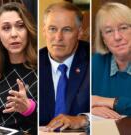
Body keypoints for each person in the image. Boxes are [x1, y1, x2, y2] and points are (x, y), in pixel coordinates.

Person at [39, 2, 90, 132]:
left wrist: (84, 119)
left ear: (79, 33)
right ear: (44, 31)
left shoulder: (93, 59)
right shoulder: (34, 62)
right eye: (52, 29)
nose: (58, 37)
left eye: (66, 30)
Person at [0, 2, 37, 135]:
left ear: (29, 29)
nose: (14, 34)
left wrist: (29, 108)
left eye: (20, 26)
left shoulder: (43, 68)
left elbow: (51, 119)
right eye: (6, 28)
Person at [92, 2, 131, 119]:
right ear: (103, 38)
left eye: (123, 28)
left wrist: (109, 102)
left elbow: (94, 99)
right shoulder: (96, 62)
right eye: (109, 31)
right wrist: (92, 108)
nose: (117, 37)